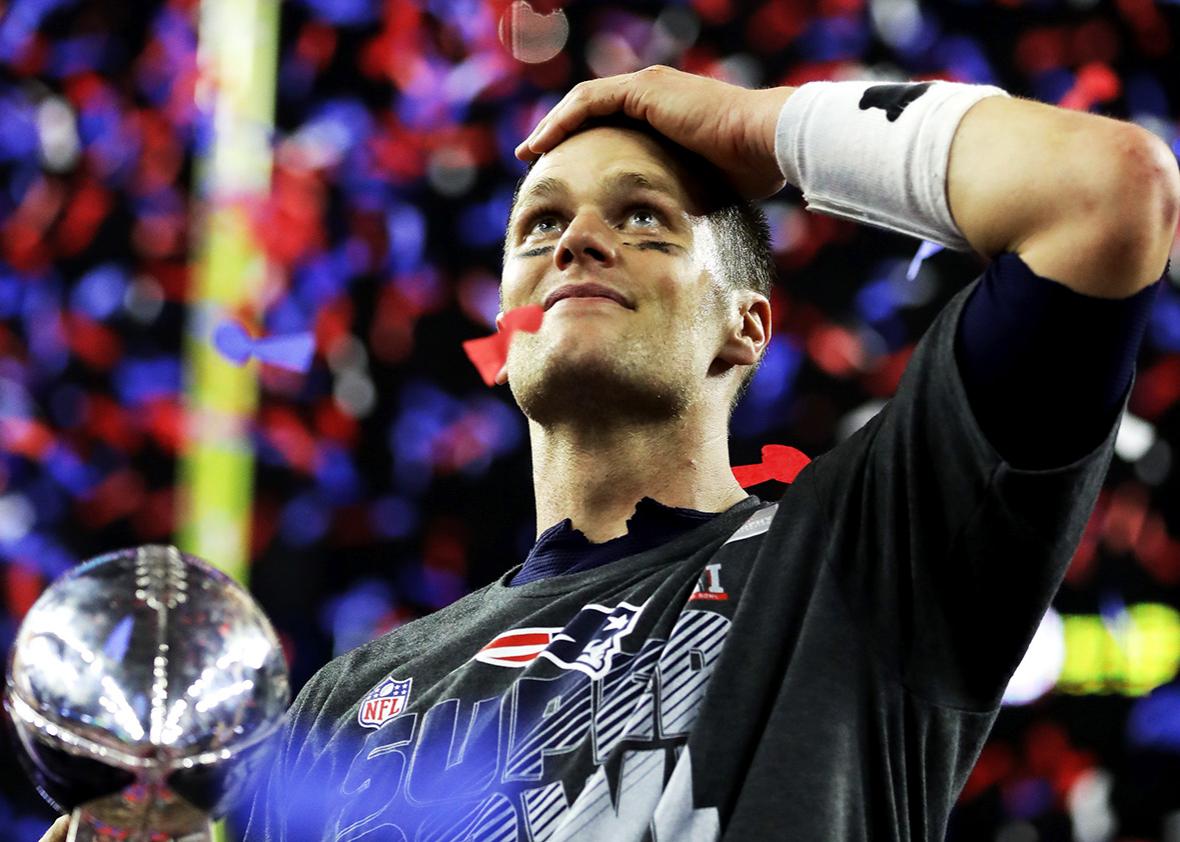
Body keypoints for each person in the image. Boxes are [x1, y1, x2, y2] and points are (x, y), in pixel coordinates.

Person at [42, 66, 1178, 842]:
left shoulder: (862, 546)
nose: (575, 237)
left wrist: (763, 129)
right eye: (539, 224)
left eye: (645, 217)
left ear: (747, 322)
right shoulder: (351, 695)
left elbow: (1099, 191)